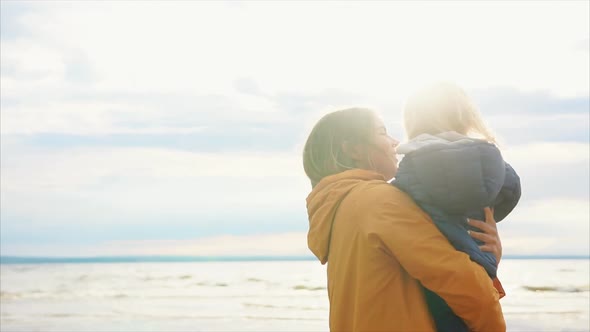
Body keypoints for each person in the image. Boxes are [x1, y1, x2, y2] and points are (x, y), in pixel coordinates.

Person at [303, 107, 506, 332]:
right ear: (354, 149)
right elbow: (463, 285)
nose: (394, 142)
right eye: (382, 133)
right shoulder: (379, 200)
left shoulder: (338, 208)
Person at [393, 82, 521, 332]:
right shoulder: (493, 170)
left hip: (429, 287)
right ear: (466, 117)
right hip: (481, 271)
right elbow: (510, 193)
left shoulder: (410, 173)